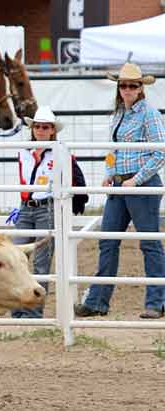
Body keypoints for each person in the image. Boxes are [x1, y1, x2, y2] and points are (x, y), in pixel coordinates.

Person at [75, 63, 165, 319]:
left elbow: (160, 152)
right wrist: (109, 173)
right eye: (124, 85)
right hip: (120, 185)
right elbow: (113, 150)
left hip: (141, 185)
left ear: (140, 88)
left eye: (132, 85)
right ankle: (97, 302)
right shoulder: (119, 114)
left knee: (149, 243)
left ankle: (156, 301)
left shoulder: (149, 114)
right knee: (108, 242)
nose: (127, 89)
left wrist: (136, 180)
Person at [10, 106, 89, 318]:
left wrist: (77, 199)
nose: (41, 130)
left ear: (52, 130)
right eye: (38, 126)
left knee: (40, 263)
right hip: (27, 208)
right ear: (33, 128)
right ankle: (19, 309)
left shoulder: (59, 151)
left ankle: (33, 312)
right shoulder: (24, 151)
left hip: (47, 208)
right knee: (17, 257)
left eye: (45, 127)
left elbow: (76, 176)